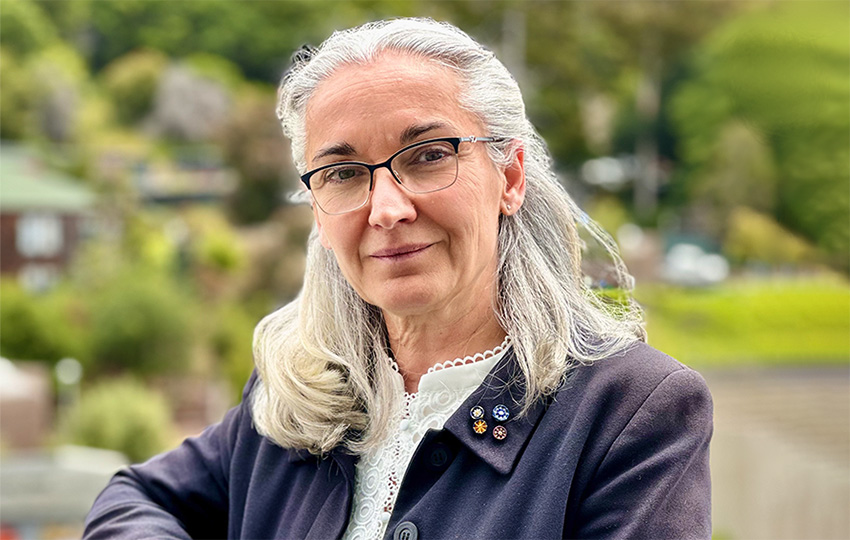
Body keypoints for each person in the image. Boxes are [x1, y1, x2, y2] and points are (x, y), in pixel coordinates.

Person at [84, 18, 712, 540]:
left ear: (511, 177)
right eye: (344, 173)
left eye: (429, 155)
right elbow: (133, 500)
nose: (386, 208)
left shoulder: (632, 414)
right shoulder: (302, 391)